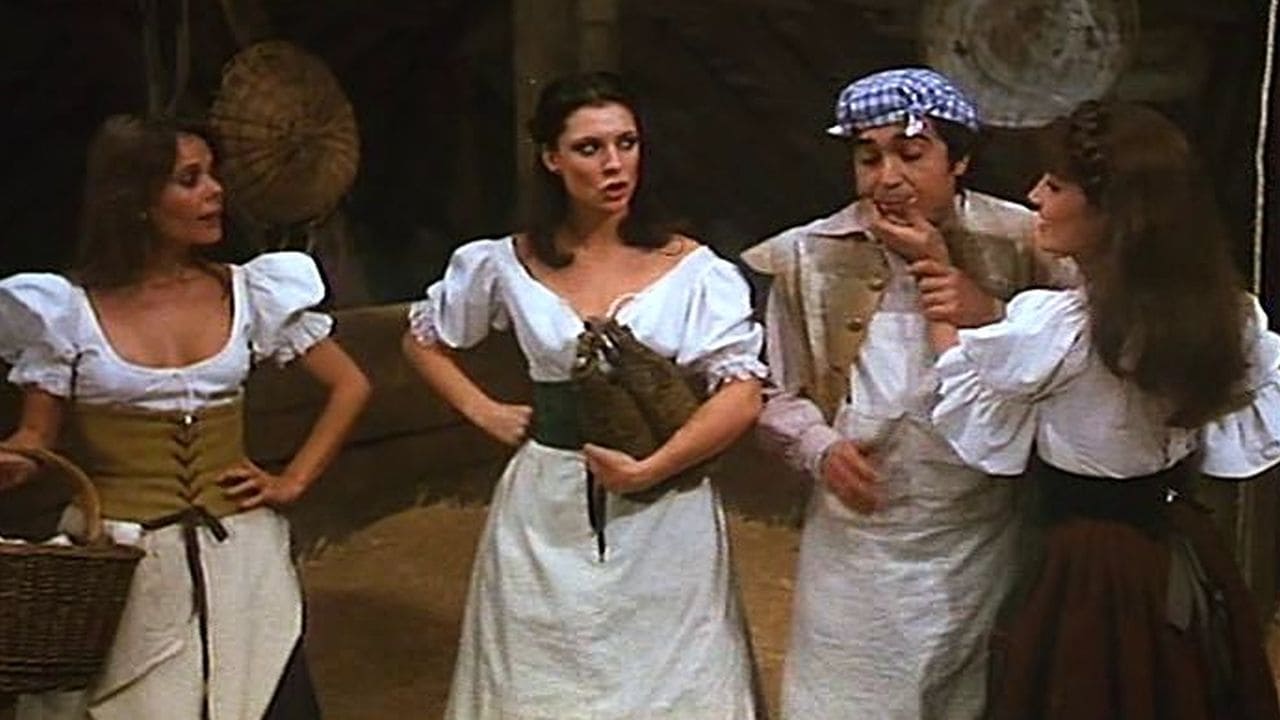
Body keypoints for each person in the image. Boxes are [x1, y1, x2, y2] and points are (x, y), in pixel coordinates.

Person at [402, 71, 768, 719]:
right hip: (548, 504)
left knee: (672, 678)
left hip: (664, 506)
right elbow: (424, 340)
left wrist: (654, 467)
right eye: (589, 148)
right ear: (552, 158)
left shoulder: (693, 271)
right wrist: (482, 409)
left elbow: (741, 391)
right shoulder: (505, 262)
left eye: (626, 143)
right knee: (542, 676)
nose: (613, 164)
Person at [0, 114, 371, 719]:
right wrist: (17, 461)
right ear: (137, 200)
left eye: (213, 175)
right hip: (125, 565)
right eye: (190, 179)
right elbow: (37, 435)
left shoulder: (248, 291)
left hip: (241, 559)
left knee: (262, 692)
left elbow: (350, 384)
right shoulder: (67, 311)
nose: (215, 191)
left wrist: (293, 480)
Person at [927, 100, 1280, 719]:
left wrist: (932, 276)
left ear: (1114, 211)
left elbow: (970, 379)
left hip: (1088, 569)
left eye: (1056, 185)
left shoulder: (1061, 328)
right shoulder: (1221, 315)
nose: (1035, 196)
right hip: (1172, 542)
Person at [741, 67, 1071, 719]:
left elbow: (1078, 351)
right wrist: (819, 447)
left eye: (911, 154)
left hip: (982, 532)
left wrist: (991, 312)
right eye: (869, 159)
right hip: (858, 536)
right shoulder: (811, 254)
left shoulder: (1025, 242)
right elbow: (774, 386)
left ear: (960, 160)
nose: (887, 178)